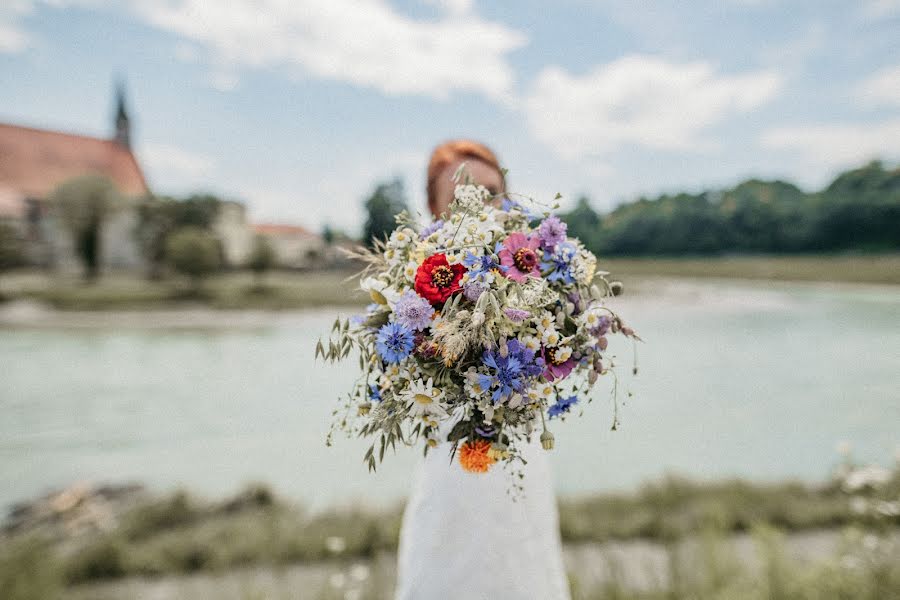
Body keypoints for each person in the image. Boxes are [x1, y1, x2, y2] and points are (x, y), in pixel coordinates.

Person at [394, 140, 571, 600]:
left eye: (491, 191)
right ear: (433, 209)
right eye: (459, 195)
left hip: (523, 464)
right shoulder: (412, 290)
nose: (479, 202)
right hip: (453, 470)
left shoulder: (541, 274)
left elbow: (559, 355)